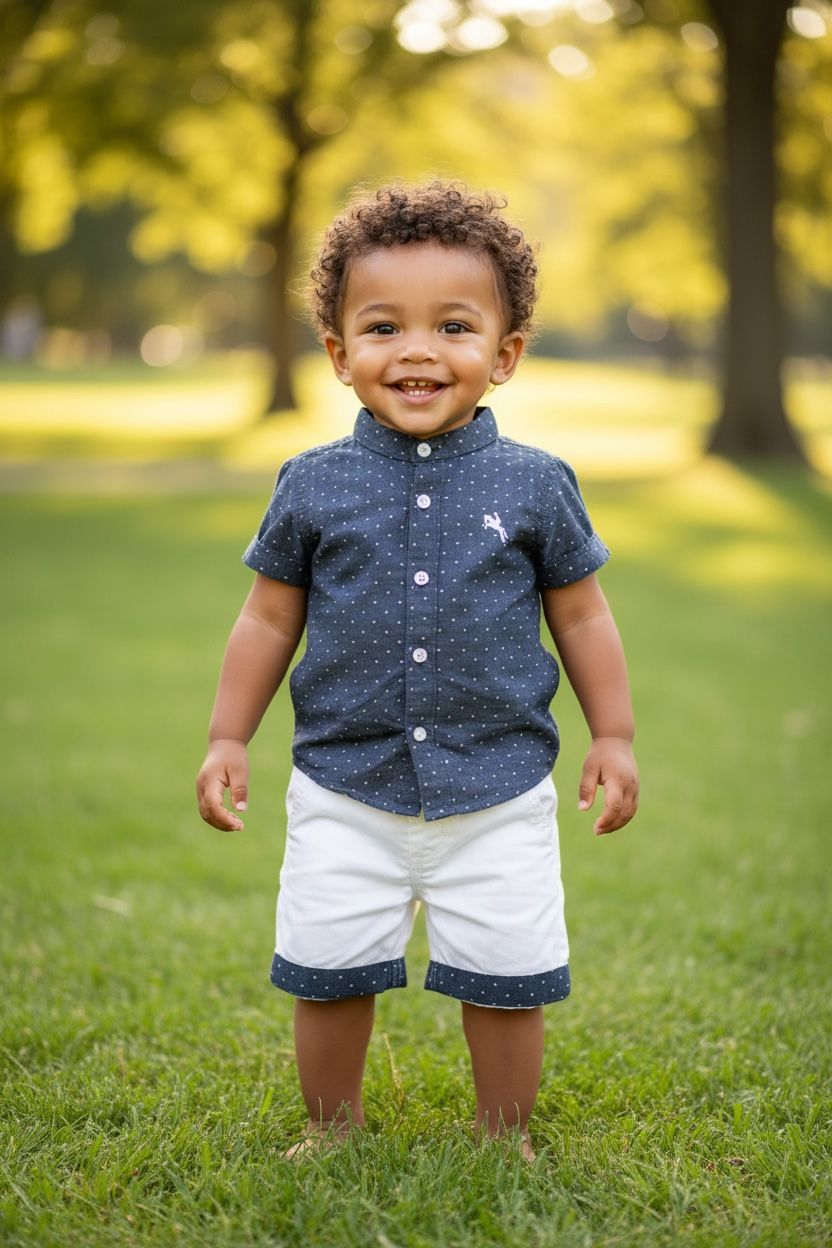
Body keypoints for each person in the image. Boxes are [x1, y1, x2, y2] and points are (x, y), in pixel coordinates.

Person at [196, 181, 639, 1162]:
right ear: (339, 352)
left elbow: (582, 612)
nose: (417, 350)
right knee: (328, 965)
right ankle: (332, 1127)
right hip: (343, 780)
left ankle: (499, 1136)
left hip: (497, 781)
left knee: (505, 970)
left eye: (453, 325)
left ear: (505, 353)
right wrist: (229, 735)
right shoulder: (312, 483)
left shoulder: (535, 483)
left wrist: (613, 732)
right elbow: (268, 616)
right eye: (383, 325)